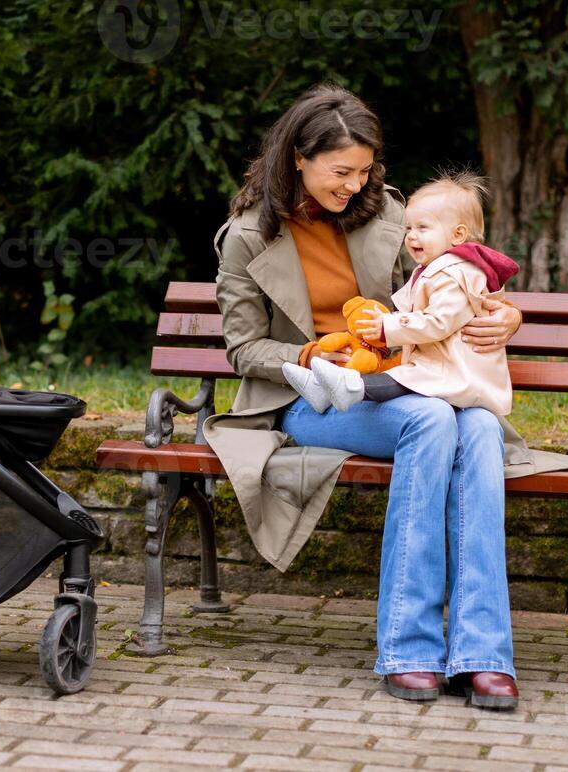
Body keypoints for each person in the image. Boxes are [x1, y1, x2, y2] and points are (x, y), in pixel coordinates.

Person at [203, 82, 527, 708]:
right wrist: (309, 354)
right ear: (298, 155)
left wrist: (508, 314)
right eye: (340, 171)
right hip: (313, 401)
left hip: (405, 382)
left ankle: (483, 654)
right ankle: (408, 647)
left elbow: (451, 290)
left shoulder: (388, 216)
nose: (354, 185)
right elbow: (243, 348)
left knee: (480, 426)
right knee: (433, 422)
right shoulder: (248, 236)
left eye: (364, 171)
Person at [280, 171, 520, 416]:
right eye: (408, 228)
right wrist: (382, 319)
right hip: (439, 363)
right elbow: (409, 306)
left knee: (400, 378)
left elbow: (439, 322)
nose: (411, 236)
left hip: (455, 372)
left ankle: (341, 387)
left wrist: (388, 326)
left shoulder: (455, 274)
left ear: (457, 234)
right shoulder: (434, 268)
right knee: (399, 375)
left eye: (422, 228)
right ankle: (326, 388)